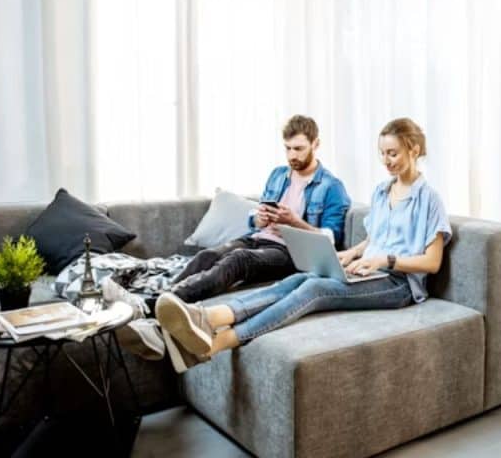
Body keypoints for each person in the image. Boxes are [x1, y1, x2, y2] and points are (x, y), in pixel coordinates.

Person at [154, 117, 451, 372]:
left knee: (314, 289)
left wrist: (384, 261)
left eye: (393, 153)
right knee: (298, 279)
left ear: (413, 150)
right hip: (369, 270)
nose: (387, 161)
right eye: (382, 153)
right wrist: (348, 254)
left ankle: (217, 343)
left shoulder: (429, 200)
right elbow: (374, 239)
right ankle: (207, 317)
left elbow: (431, 262)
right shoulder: (382, 191)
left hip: (398, 284)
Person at [117, 114, 351, 360]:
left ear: (316, 144)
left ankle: (149, 309)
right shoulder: (279, 174)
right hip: (259, 237)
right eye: (288, 148)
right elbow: (257, 215)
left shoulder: (331, 186)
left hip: (291, 252)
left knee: (238, 260)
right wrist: (258, 218)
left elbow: (329, 238)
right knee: (207, 256)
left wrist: (293, 221)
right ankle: (161, 308)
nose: (292, 155)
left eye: (299, 149)